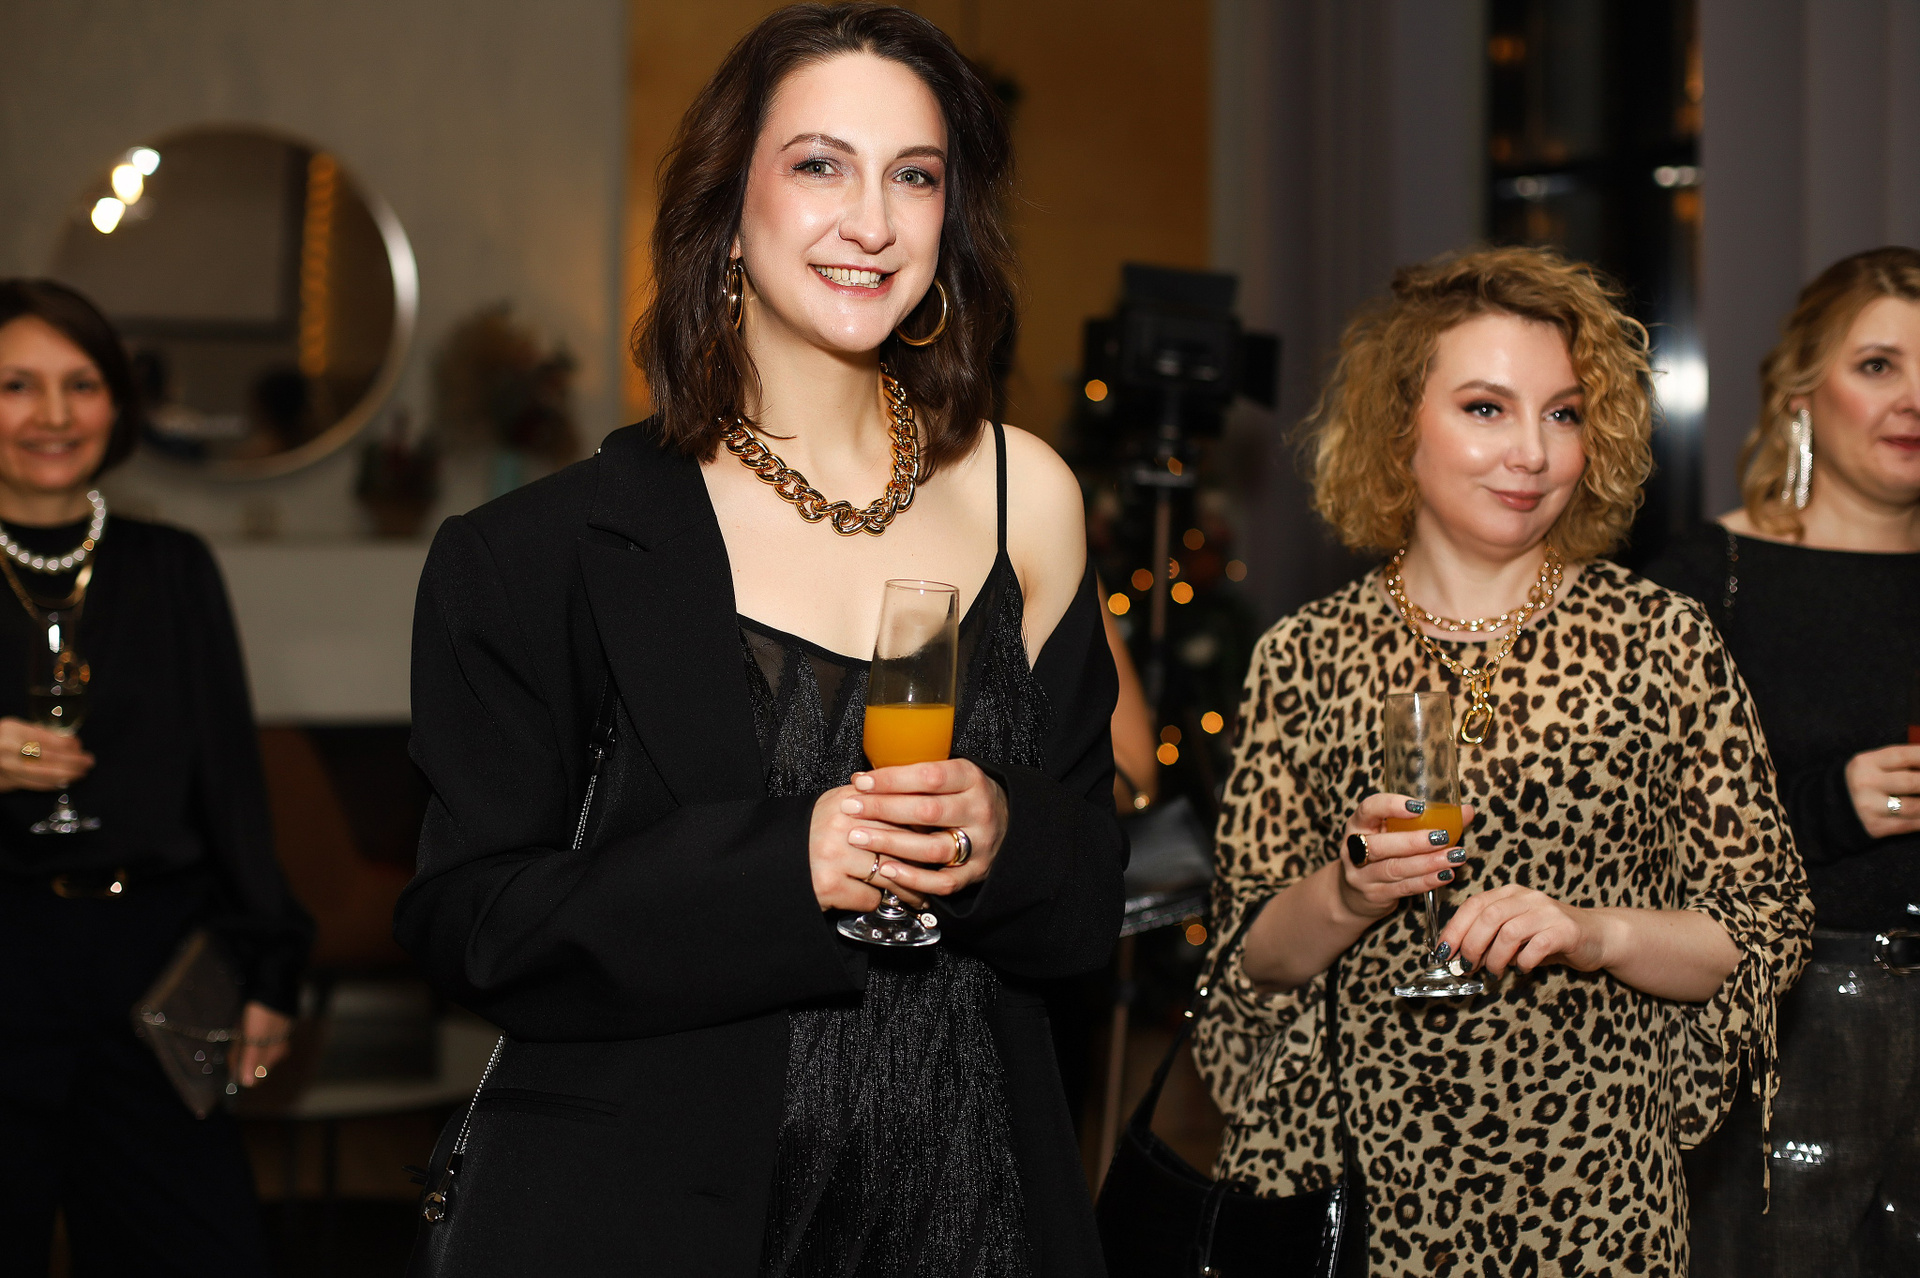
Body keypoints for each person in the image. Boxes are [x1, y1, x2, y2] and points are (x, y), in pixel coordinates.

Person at [394, 6, 1125, 1275]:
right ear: (727, 208)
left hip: (976, 1216)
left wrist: (1003, 836)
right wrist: (786, 865)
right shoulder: (543, 551)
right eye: (820, 164)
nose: (872, 221)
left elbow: (1091, 895)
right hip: (663, 1222)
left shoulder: (1026, 499)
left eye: (915, 176)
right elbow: (473, 925)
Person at [1190, 246, 1812, 1276]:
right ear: (1399, 428)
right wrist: (1348, 891)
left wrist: (1594, 932)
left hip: (1595, 1196)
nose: (1532, 452)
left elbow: (1760, 926)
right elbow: (1251, 958)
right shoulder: (1304, 653)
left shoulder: (1660, 641)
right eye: (1487, 408)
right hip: (1356, 1185)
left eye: (1563, 414)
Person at [0, 279, 312, 1274]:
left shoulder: (171, 566)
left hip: (152, 975)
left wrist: (269, 966)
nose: (53, 415)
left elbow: (230, 784)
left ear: (118, 403)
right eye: (16, 385)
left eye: (81, 384)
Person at [1641, 245, 1920, 1276]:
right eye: (1879, 365)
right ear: (1802, 390)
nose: (1915, 399)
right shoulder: (1705, 582)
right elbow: (1635, 840)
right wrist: (1832, 805)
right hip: (1786, 1035)